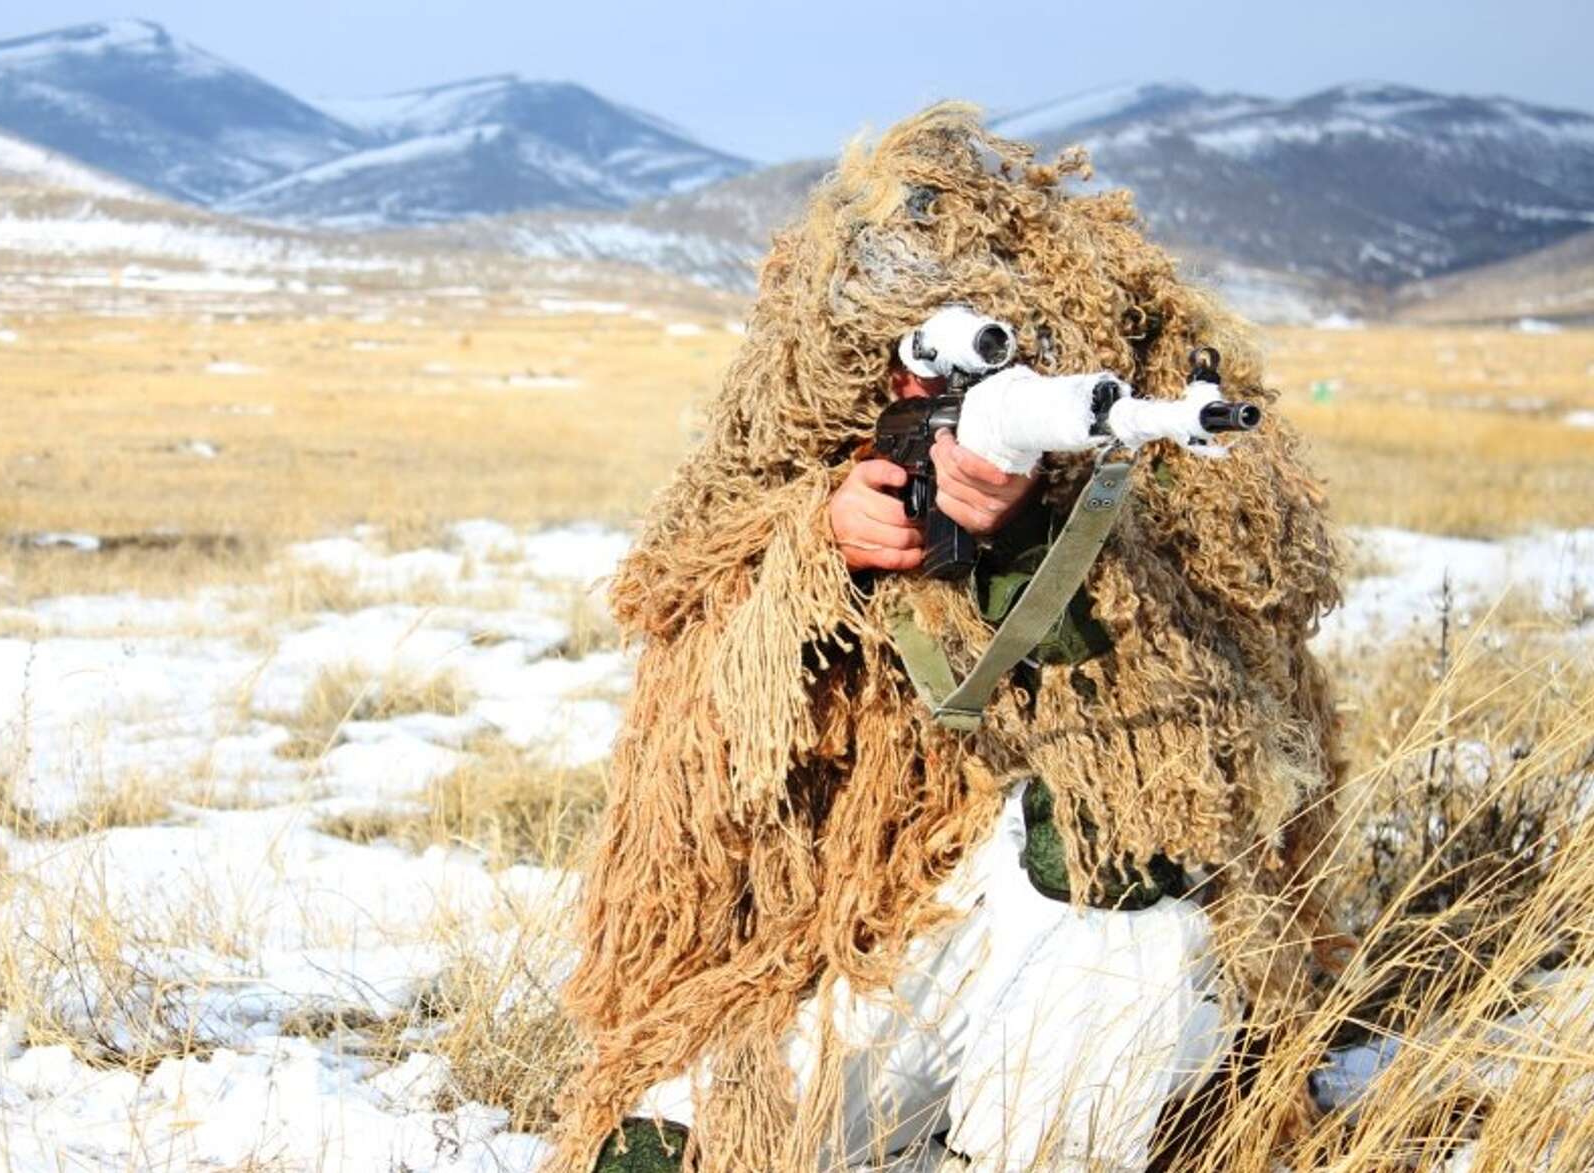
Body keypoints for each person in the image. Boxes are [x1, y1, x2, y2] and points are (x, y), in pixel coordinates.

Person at [543, 104, 1349, 1173]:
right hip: (866, 938)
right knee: (660, 1152)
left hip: (1094, 943)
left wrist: (1025, 537)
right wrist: (814, 553)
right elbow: (701, 742)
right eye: (900, 363)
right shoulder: (768, 478)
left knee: (1099, 859)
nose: (925, 394)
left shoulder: (1154, 509)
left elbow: (1189, 760)